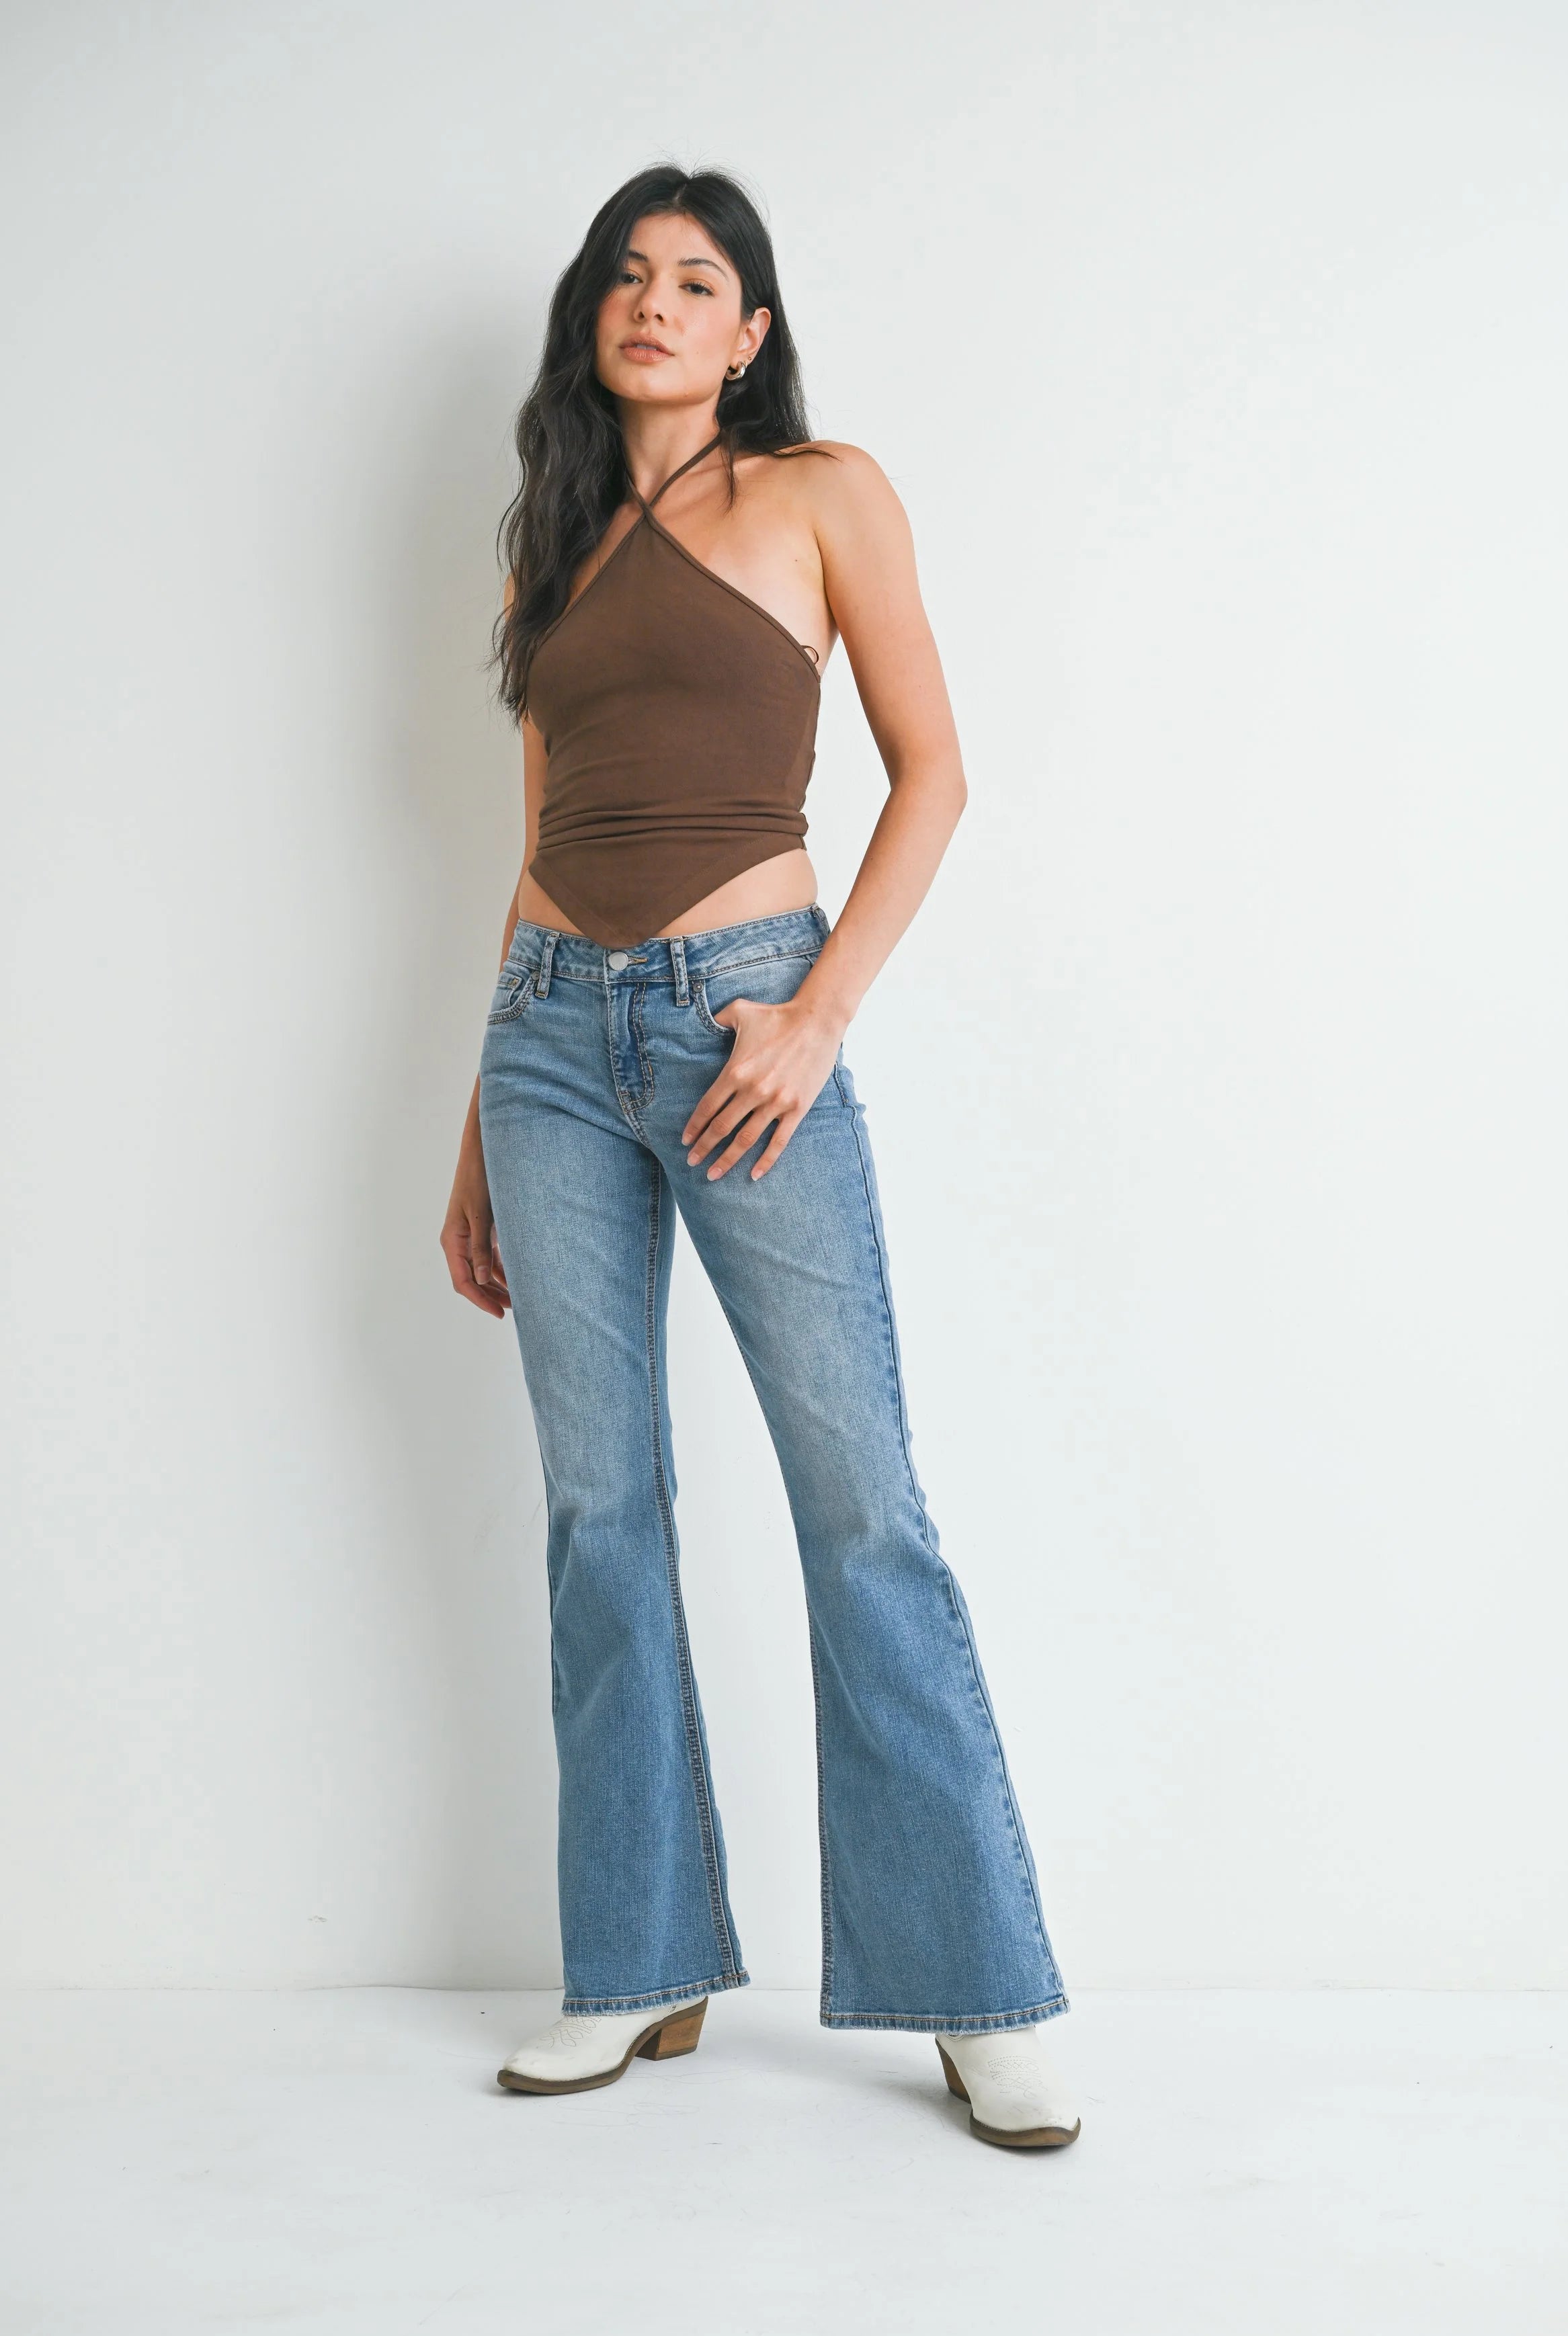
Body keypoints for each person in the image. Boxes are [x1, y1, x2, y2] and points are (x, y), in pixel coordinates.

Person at [441, 163, 1079, 2151]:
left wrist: (817, 1015)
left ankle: (973, 1983)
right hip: (549, 1037)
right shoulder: (553, 549)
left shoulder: (822, 495)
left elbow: (936, 767)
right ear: (598, 318)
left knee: (859, 1503)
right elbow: (535, 844)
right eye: (627, 276)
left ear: (752, 329)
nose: (655, 302)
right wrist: (476, 1128)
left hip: (746, 1023)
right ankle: (635, 1963)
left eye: (696, 279)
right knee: (597, 1511)